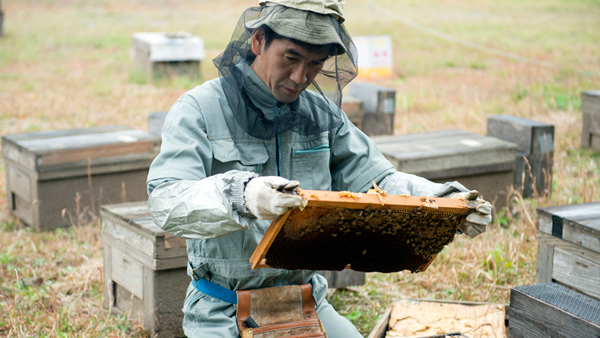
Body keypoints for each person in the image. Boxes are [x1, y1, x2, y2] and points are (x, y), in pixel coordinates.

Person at [146, 0, 492, 336]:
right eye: (291, 58)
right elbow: (166, 200)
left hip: (305, 299)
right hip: (223, 308)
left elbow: (378, 180)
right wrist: (242, 194)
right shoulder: (199, 109)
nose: (300, 76)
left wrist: (443, 199)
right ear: (258, 41)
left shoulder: (322, 115)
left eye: (315, 63)